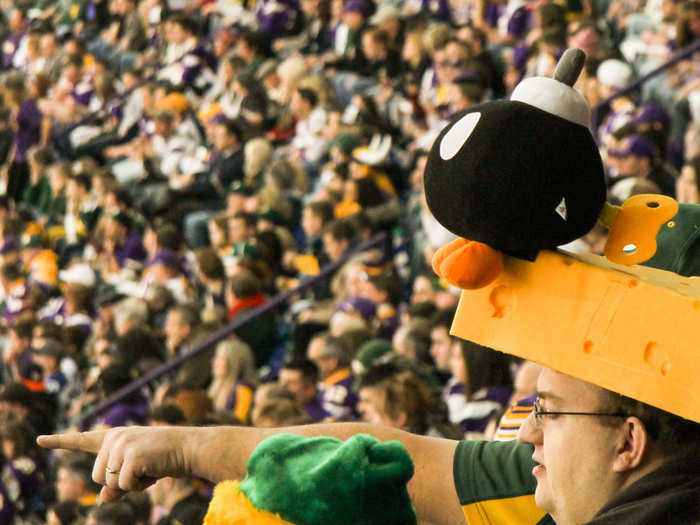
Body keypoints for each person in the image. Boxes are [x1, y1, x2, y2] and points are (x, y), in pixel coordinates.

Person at [38, 364, 700, 525]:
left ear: (629, 441)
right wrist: (184, 447)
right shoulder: (543, 478)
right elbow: (401, 457)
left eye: (548, 412)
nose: (524, 428)